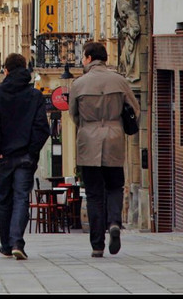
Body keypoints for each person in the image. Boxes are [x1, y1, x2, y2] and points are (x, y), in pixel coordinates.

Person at [69, 41, 140, 258]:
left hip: (88, 141)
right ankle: (115, 222)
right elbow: (134, 110)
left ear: (89, 58)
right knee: (114, 186)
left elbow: (74, 114)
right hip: (114, 138)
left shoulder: (79, 84)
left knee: (93, 194)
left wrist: (88, 127)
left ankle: (97, 244)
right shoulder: (119, 80)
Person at [0, 53, 50, 261]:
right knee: (21, 198)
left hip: (3, 156)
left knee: (5, 201)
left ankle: (6, 244)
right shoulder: (35, 95)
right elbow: (41, 128)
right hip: (25, 157)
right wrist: (32, 151)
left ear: (7, 70)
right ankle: (17, 242)